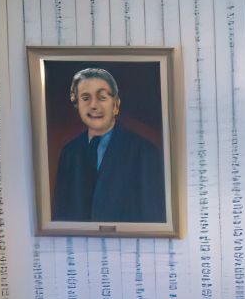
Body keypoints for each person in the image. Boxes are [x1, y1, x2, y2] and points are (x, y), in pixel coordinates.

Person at [51, 66, 166, 225]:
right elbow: (60, 216)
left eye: (102, 97)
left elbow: (154, 219)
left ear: (116, 105)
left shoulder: (145, 153)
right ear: (77, 104)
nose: (93, 105)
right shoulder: (69, 153)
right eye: (85, 98)